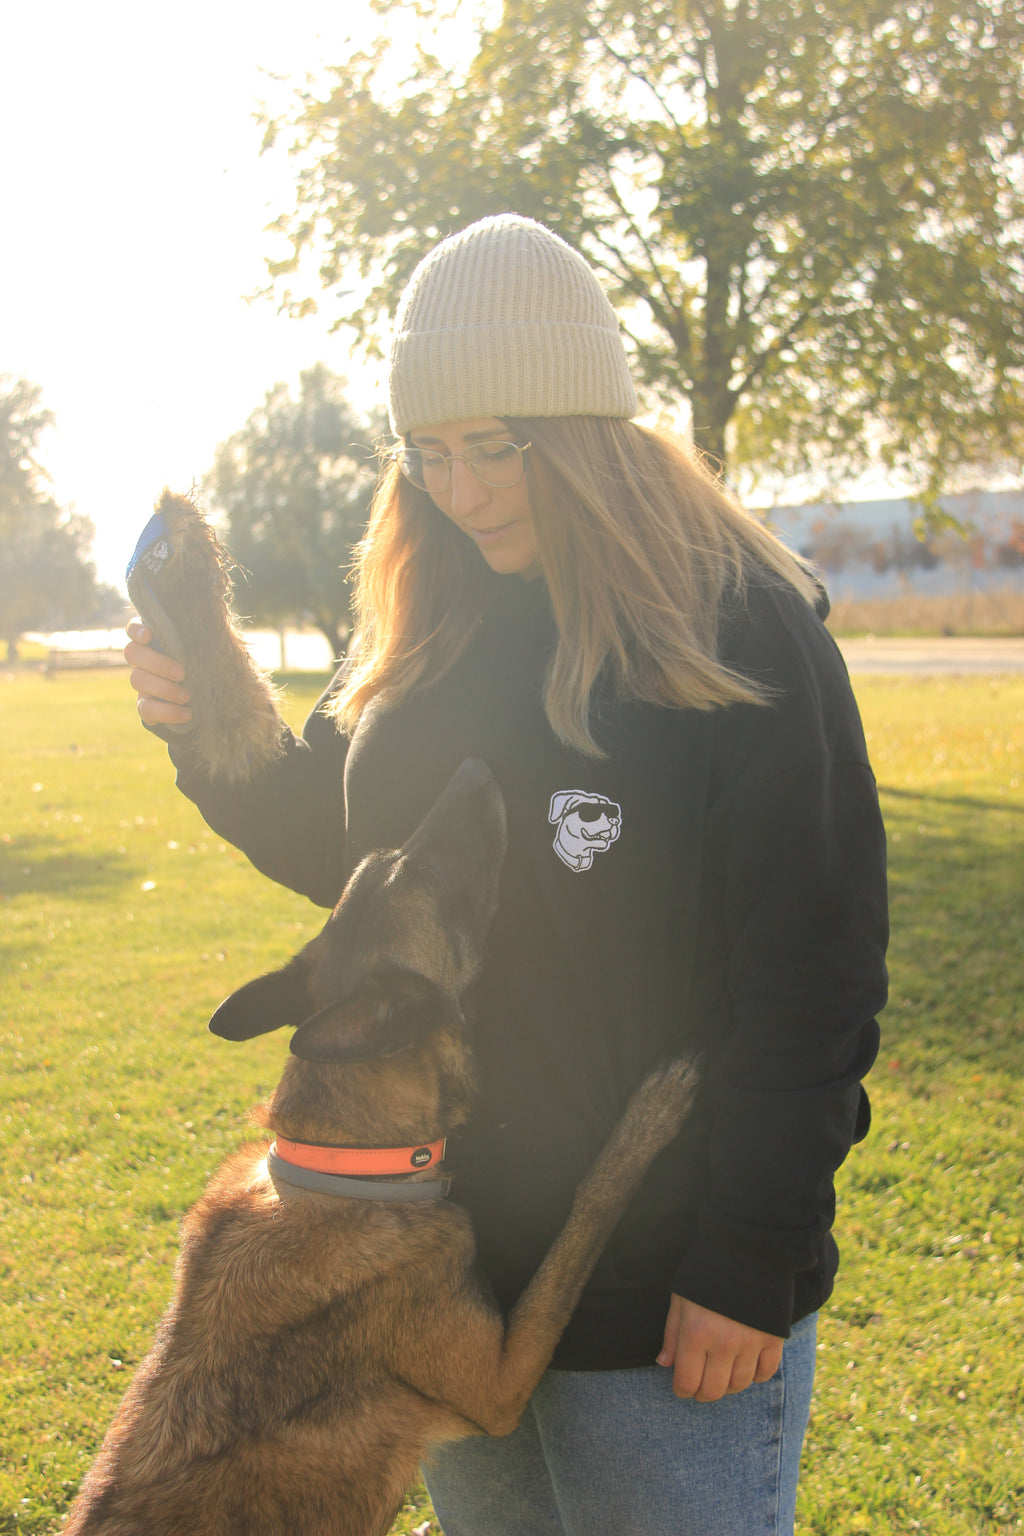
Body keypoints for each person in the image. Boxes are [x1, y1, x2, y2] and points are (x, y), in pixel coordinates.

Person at [126, 214, 888, 1536]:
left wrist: (749, 1263)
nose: (459, 492)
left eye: (496, 450)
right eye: (427, 455)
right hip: (444, 1288)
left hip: (666, 1302)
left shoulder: (739, 637)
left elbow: (813, 984)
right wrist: (202, 725)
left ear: (591, 433)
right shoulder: (439, 623)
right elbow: (342, 847)